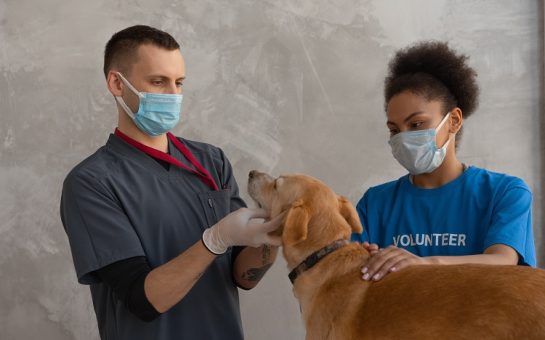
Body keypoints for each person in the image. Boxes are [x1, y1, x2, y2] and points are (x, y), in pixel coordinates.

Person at [60, 25, 283, 340]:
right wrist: (215, 239)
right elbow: (143, 300)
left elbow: (242, 277)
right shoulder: (91, 183)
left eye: (179, 83)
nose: (173, 95)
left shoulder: (211, 162)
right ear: (116, 83)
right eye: (157, 82)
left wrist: (269, 236)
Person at [351, 41, 536, 282]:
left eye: (416, 124)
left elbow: (502, 261)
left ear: (454, 121)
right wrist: (363, 263)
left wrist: (422, 264)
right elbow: (353, 282)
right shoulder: (374, 204)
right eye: (395, 130)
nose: (404, 138)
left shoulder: (505, 192)